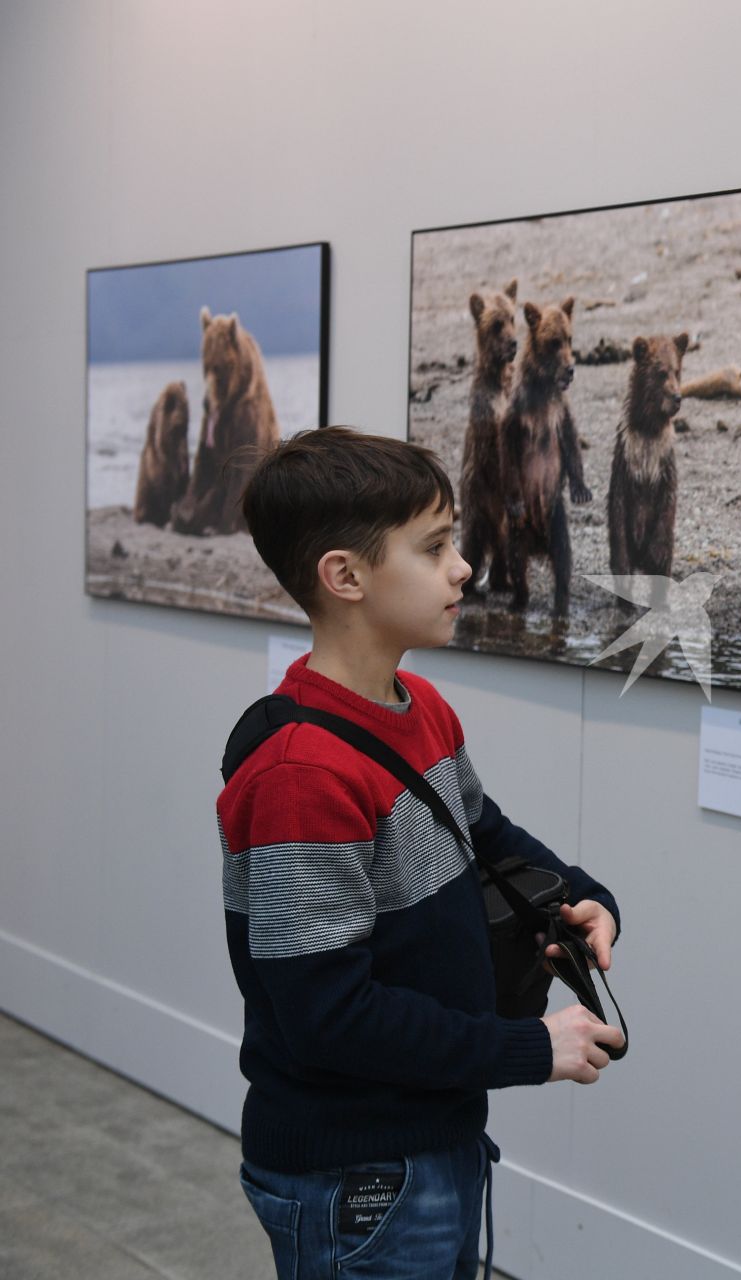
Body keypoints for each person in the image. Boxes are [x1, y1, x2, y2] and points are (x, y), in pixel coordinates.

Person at [217, 426, 626, 1279]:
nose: (464, 567)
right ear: (346, 576)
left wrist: (582, 894)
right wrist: (526, 1050)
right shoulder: (301, 775)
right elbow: (327, 1017)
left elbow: (485, 834)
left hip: (437, 1138)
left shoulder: (422, 707)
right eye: (435, 546)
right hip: (355, 1174)